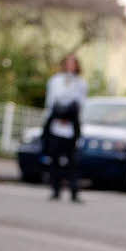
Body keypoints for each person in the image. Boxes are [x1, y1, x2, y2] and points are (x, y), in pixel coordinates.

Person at [43, 54, 88, 202]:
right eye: (67, 62)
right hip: (56, 124)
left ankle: (74, 192)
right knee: (54, 159)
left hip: (71, 125)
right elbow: (51, 101)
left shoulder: (81, 83)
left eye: (73, 63)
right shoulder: (55, 80)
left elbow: (80, 103)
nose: (70, 65)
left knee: (72, 161)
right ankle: (55, 190)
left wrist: (69, 117)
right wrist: (55, 117)